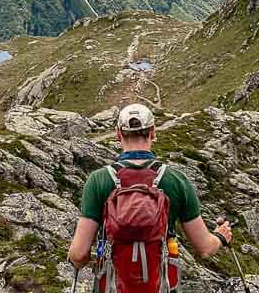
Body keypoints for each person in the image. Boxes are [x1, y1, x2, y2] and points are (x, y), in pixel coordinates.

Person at [68, 102, 233, 276]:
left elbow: (79, 254)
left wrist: (77, 258)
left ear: (118, 134)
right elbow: (205, 247)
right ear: (153, 132)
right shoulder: (176, 180)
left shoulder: (98, 180)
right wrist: (221, 236)